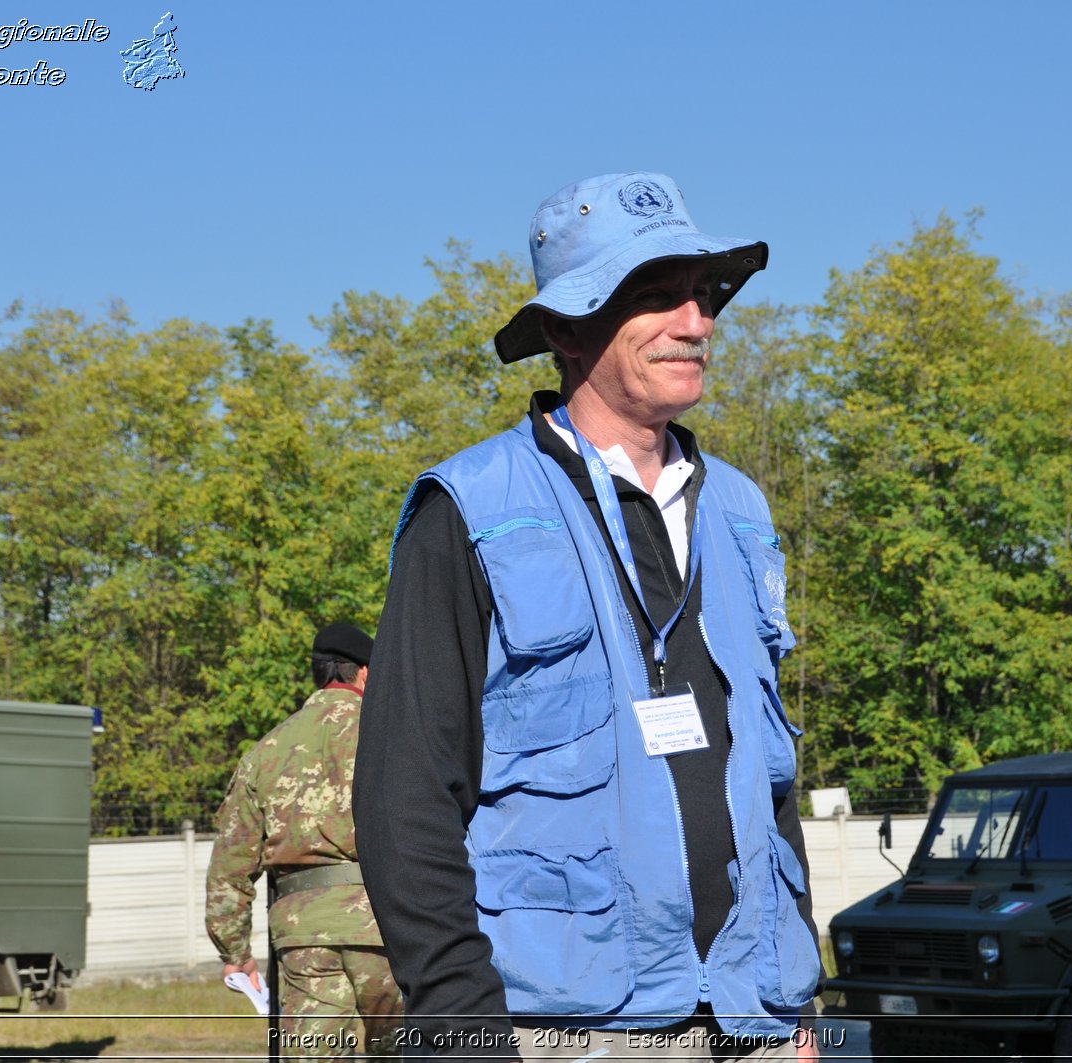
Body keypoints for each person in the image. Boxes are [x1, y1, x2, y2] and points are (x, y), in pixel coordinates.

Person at [354, 172, 822, 1062]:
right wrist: (460, 1026)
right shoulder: (471, 510)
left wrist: (797, 995)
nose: (697, 321)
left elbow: (772, 781)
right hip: (559, 1032)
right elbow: (403, 792)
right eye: (655, 296)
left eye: (702, 293)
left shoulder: (742, 513)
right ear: (567, 330)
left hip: (752, 1023)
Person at [206, 622, 402, 1057]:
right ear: (365, 674)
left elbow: (229, 870)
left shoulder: (265, 752)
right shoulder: (396, 741)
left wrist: (235, 954)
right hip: (387, 926)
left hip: (303, 937)